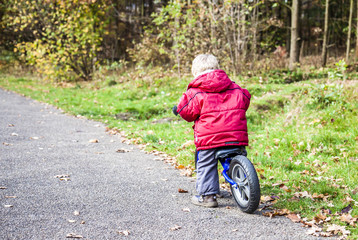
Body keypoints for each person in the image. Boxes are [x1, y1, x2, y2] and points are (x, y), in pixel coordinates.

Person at [172, 54, 251, 208]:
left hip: (209, 140)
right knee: (237, 155)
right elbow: (245, 99)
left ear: (195, 72)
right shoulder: (233, 86)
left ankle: (208, 197)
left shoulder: (195, 91)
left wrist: (178, 110)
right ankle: (242, 180)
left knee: (206, 164)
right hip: (235, 135)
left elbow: (186, 112)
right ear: (216, 68)